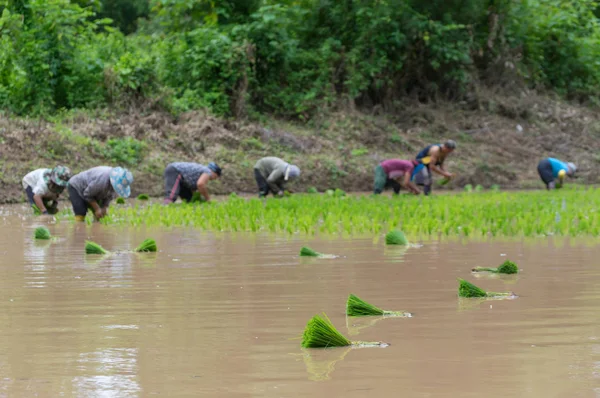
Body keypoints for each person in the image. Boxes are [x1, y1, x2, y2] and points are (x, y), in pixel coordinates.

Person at [68, 166, 133, 222]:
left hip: (93, 191)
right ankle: (78, 229)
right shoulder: (102, 181)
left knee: (100, 215)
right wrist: (97, 208)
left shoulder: (113, 186)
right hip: (76, 187)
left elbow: (109, 197)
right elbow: (87, 194)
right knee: (81, 211)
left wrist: (104, 207)